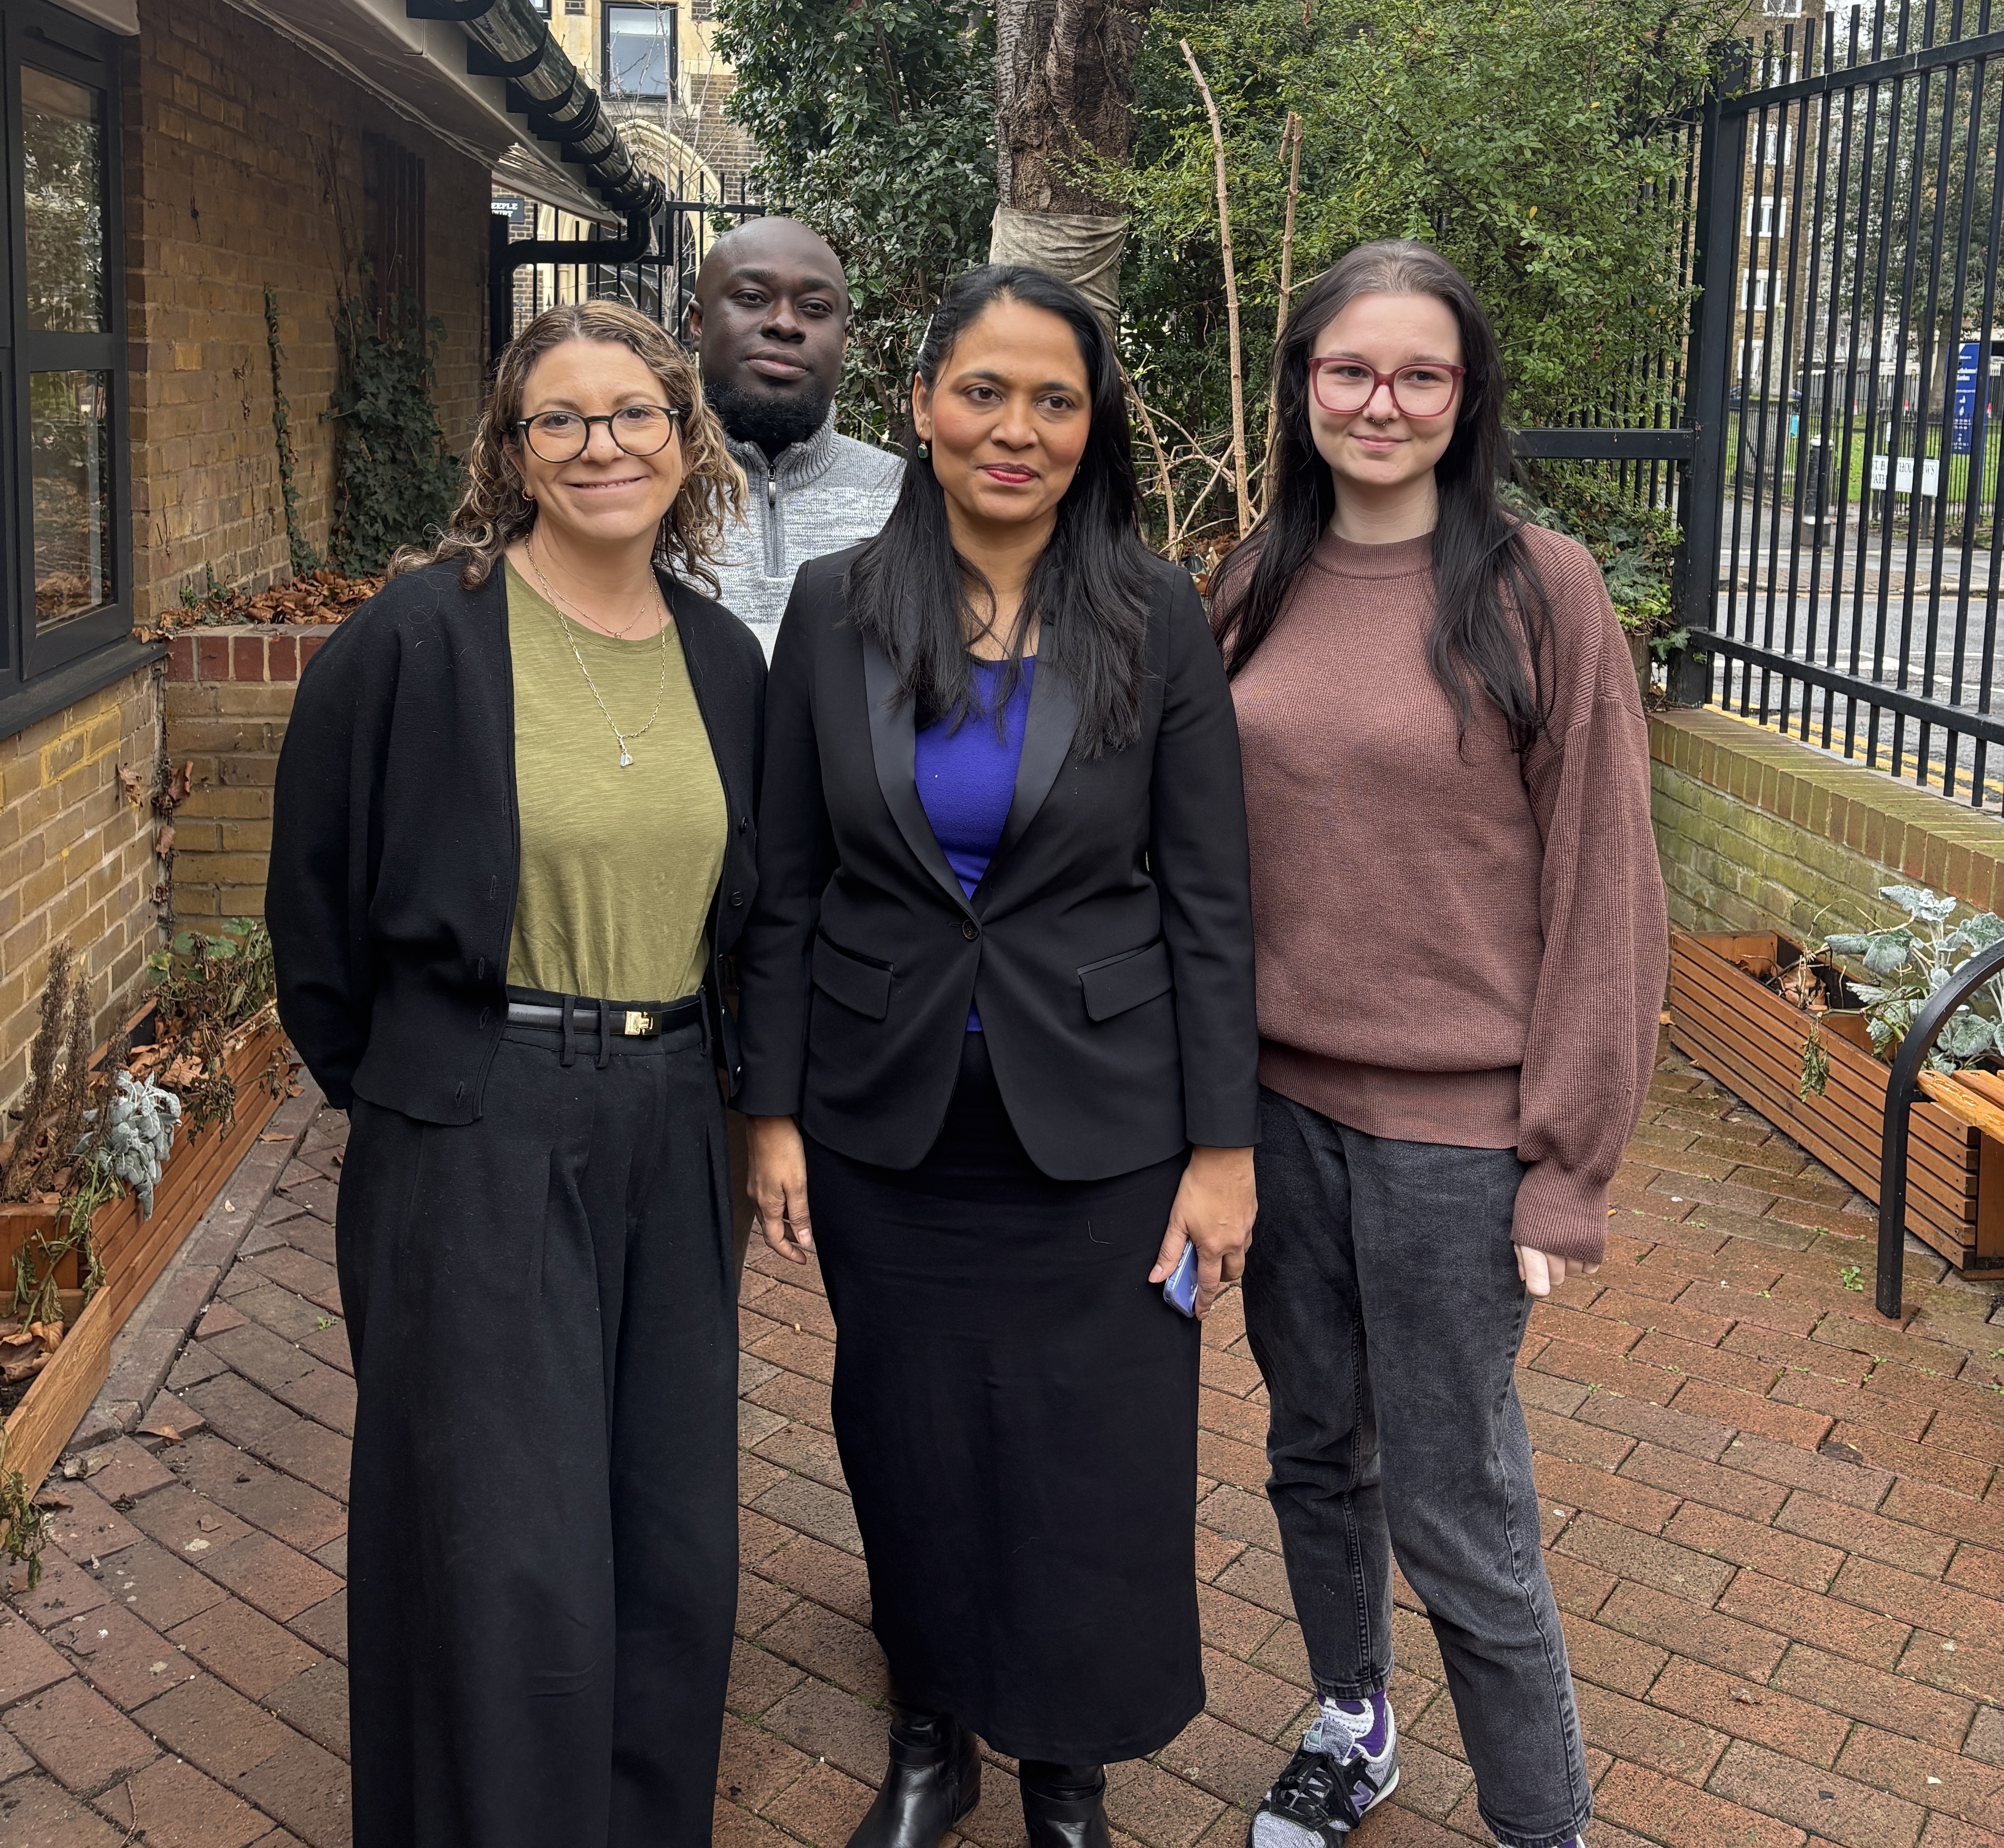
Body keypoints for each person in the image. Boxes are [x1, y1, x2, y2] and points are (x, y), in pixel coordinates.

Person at [736, 264, 1259, 1848]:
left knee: (1085, 1458)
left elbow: (1214, 898)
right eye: (983, 392)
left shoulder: (1152, 612)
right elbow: (785, 884)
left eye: (1053, 399)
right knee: (909, 1442)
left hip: (1100, 1129)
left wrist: (1222, 1150)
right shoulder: (836, 607)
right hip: (885, 1116)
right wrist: (769, 1111)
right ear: (922, 407)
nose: (1013, 429)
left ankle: (1064, 1765)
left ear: (1088, 427)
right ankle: (930, 1734)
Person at [266, 300, 764, 1848]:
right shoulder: (417, 641)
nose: (602, 444)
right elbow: (317, 916)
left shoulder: (724, 656)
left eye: (634, 414)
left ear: (684, 442)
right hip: (475, 1125)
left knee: (667, 1532)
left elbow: (756, 915)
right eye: (562, 418)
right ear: (512, 449)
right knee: (502, 1544)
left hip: (676, 1119)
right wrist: (421, 1092)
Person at [1213, 240, 1666, 1848]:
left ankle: (1540, 1821)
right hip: (1273, 1116)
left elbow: (1605, 886)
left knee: (1460, 1509)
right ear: (1304, 387)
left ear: (1463, 397)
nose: (1380, 401)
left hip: (1451, 1149)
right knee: (1311, 1449)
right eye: (1348, 369)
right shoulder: (1253, 576)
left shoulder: (1537, 588)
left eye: (1419, 373)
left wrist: (1565, 1166)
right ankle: (1353, 1722)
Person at [690, 215, 903, 656]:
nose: (785, 323)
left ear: (845, 343)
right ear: (697, 322)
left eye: (815, 307)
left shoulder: (904, 495)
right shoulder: (636, 489)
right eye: (752, 298)